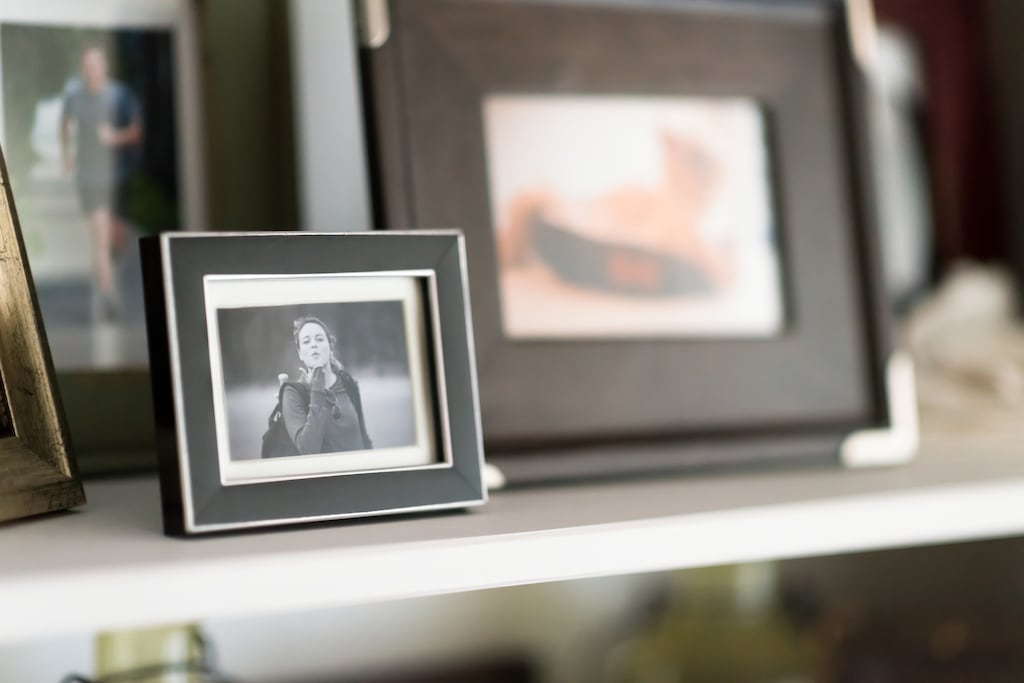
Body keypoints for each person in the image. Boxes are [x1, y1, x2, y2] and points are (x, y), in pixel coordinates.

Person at [59, 44, 143, 321]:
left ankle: (107, 275)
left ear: (104, 67)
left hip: (117, 177)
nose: (91, 71)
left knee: (115, 237)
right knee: (99, 236)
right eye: (87, 66)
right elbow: (64, 122)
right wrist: (66, 156)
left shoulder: (119, 95)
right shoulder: (75, 95)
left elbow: (135, 133)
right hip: (89, 177)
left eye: (96, 65)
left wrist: (113, 138)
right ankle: (108, 295)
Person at [280, 315, 373, 455]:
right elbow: (308, 449)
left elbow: (364, 437)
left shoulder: (348, 383)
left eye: (319, 339)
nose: (313, 345)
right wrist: (317, 387)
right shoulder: (292, 394)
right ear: (300, 354)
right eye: (306, 341)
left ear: (330, 348)